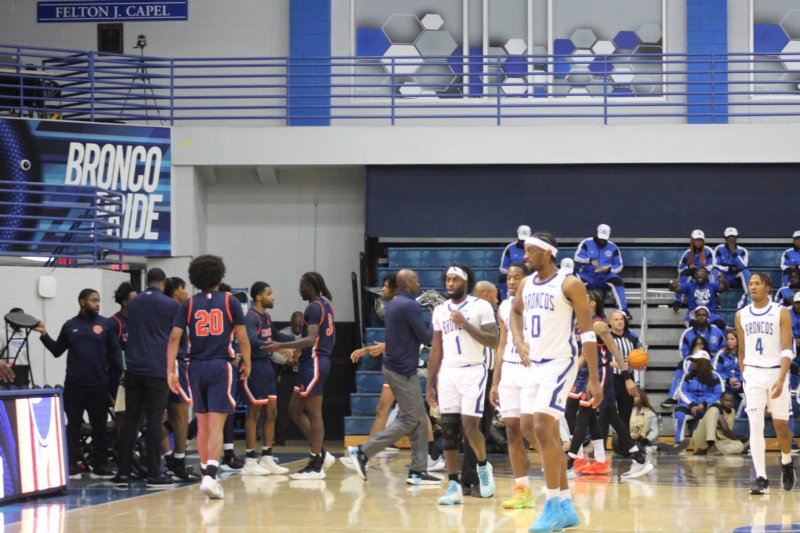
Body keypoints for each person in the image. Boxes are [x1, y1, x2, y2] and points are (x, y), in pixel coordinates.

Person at [509, 232, 600, 532]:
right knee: (527, 427)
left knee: (542, 427)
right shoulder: (525, 284)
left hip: (560, 363)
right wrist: (519, 340)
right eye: (524, 250)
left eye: (531, 250)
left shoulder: (569, 284)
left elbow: (588, 333)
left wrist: (594, 378)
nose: (525, 256)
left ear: (548, 253)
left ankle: (552, 506)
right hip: (534, 364)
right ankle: (565, 504)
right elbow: (515, 312)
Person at [167, 255, 251, 499]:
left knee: (202, 423)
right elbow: (242, 337)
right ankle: (211, 475)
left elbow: (174, 337)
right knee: (216, 423)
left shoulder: (189, 304)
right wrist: (247, 361)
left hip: (194, 366)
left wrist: (170, 369)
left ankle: (206, 473)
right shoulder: (230, 301)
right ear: (219, 275)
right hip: (220, 365)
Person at [347, 269, 441, 486]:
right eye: (416, 280)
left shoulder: (395, 304)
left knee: (419, 419)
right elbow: (426, 338)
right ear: (407, 283)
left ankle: (418, 472)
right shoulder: (409, 306)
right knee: (410, 419)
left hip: (398, 367)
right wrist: (436, 318)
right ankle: (363, 452)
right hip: (401, 370)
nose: (419, 283)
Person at [425, 263, 498, 505]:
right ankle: (454, 485)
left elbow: (493, 340)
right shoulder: (440, 311)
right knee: (448, 430)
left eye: (455, 279)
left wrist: (465, 324)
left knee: (470, 428)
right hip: (448, 372)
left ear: (466, 282)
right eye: (447, 279)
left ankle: (483, 466)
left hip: (473, 371)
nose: (450, 283)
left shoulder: (481, 306)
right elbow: (436, 349)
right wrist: (430, 383)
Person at [35, 289, 122, 479]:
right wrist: (43, 334)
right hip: (74, 386)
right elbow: (57, 350)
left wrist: (122, 372)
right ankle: (71, 466)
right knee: (74, 427)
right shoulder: (70, 325)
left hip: (99, 384)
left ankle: (100, 466)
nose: (97, 304)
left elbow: (115, 351)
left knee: (99, 427)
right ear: (82, 301)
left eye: (98, 300)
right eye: (93, 300)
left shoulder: (106, 324)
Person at [565, 291, 650, 479]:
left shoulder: (599, 325)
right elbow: (584, 355)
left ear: (594, 303)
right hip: (588, 373)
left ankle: (570, 463)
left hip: (601, 373)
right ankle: (638, 457)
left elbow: (616, 351)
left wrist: (627, 377)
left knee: (583, 415)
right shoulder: (582, 323)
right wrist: (569, 375)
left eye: (585, 298)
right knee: (611, 415)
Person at [266, 272, 336, 480]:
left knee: (314, 414)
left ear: (311, 286)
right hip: (313, 361)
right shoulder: (326, 305)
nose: (299, 289)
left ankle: (316, 464)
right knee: (294, 410)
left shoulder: (313, 307)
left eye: (301, 285)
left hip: (314, 363)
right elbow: (331, 338)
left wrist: (281, 345)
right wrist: (303, 352)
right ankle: (322, 453)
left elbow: (311, 339)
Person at [115, 268, 179, 489]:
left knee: (130, 419)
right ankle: (154, 474)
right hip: (157, 368)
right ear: (163, 282)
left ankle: (123, 473)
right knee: (154, 420)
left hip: (133, 368)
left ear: (147, 281)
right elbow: (175, 336)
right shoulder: (171, 304)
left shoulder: (134, 302)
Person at [737, 272, 795, 494]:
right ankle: (761, 477)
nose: (752, 287)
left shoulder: (781, 312)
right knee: (755, 424)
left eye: (757, 283)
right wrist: (745, 374)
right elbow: (741, 350)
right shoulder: (741, 314)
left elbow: (787, 349)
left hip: (776, 372)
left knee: (781, 426)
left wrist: (781, 378)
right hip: (753, 374)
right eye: (750, 283)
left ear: (768, 287)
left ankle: (786, 461)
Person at [489, 262, 537, 509]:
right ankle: (522, 490)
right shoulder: (504, 306)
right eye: (509, 277)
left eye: (517, 277)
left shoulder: (536, 303)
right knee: (512, 429)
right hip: (509, 369)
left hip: (532, 368)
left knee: (531, 428)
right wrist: (495, 382)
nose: (511, 281)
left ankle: (558, 473)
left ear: (526, 279)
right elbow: (501, 344)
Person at [241, 281, 294, 476]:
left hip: (267, 367)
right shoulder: (251, 317)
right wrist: (278, 346)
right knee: (253, 413)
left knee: (272, 411)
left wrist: (300, 341)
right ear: (258, 297)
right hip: (254, 367)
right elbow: (253, 341)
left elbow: (276, 334)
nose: (273, 297)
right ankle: (250, 460)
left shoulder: (266, 316)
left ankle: (267, 457)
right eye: (269, 294)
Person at [460, 280, 500, 495]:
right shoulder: (472, 315)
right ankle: (472, 478)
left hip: (487, 377)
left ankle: (468, 479)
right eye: (494, 295)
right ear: (485, 295)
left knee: (476, 430)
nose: (497, 300)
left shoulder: (488, 316)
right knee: (475, 430)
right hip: (477, 375)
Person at [162, 276, 199, 482]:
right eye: (184, 288)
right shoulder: (177, 309)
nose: (187, 292)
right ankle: (179, 463)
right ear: (176, 290)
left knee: (161, 419)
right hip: (176, 365)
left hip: (160, 366)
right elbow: (175, 338)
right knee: (181, 417)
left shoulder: (162, 309)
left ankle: (169, 458)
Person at [662, 307, 725, 408]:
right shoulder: (687, 332)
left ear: (708, 317)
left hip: (713, 361)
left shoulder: (716, 331)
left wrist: (713, 360)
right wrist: (693, 357)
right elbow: (683, 351)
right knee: (682, 365)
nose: (701, 317)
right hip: (693, 360)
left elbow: (723, 348)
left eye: (703, 315)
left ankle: (710, 398)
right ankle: (673, 397)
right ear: (695, 317)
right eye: (699, 315)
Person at [574, 224, 631, 319]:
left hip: (605, 276)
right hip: (588, 275)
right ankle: (575, 309)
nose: (602, 241)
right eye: (600, 238)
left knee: (617, 281)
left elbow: (619, 266)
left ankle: (623, 310)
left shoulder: (613, 247)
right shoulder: (586, 243)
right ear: (596, 233)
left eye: (604, 239)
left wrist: (609, 269)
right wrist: (589, 261)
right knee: (575, 279)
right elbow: (577, 257)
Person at [671, 350, 724, 453]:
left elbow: (718, 394)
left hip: (707, 407)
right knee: (678, 413)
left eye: (695, 361)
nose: (692, 363)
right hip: (690, 406)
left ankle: (711, 444)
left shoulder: (715, 376)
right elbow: (681, 390)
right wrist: (692, 404)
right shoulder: (688, 376)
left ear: (702, 363)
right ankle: (679, 444)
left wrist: (704, 404)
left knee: (715, 408)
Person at [217, 283, 245, 472]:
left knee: (227, 411)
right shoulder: (218, 317)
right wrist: (229, 356)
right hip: (218, 367)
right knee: (217, 412)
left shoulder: (231, 315)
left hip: (230, 368)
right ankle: (226, 455)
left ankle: (228, 453)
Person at [274, 311, 303, 445]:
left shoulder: (307, 334)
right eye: (295, 325)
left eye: (300, 326)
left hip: (302, 373)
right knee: (282, 407)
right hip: (286, 372)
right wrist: (285, 360)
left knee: (308, 407)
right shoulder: (283, 333)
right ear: (290, 323)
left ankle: (312, 438)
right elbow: (274, 353)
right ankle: (280, 438)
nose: (297, 328)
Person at [608, 309, 641, 427]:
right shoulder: (605, 338)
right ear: (610, 322)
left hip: (628, 379)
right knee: (606, 415)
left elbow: (639, 355)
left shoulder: (632, 337)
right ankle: (603, 439)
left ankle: (624, 439)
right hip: (611, 378)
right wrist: (614, 364)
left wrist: (640, 364)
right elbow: (600, 360)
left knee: (625, 415)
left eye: (621, 319)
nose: (619, 322)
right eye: (616, 319)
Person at [692, 391, 747, 456]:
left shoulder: (733, 411)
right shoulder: (715, 406)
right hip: (702, 437)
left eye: (731, 401)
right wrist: (737, 439)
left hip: (718, 442)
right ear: (721, 400)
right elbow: (725, 429)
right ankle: (710, 445)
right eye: (726, 401)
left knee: (740, 446)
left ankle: (705, 450)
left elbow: (726, 433)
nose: (729, 403)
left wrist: (739, 442)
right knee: (714, 410)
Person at [673, 229, 714, 312]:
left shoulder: (708, 251)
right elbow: (680, 268)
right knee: (683, 274)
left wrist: (701, 269)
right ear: (692, 241)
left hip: (704, 272)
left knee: (714, 273)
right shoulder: (687, 253)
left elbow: (712, 265)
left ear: (703, 241)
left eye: (700, 240)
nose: (698, 242)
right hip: (692, 273)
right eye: (696, 240)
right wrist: (689, 267)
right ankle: (678, 300)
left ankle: (715, 297)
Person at [713, 227, 751, 296]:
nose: (731, 239)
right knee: (714, 271)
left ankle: (749, 296)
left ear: (736, 238)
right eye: (729, 237)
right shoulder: (719, 248)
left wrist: (733, 252)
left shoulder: (742, 250)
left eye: (733, 237)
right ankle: (714, 296)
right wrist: (728, 269)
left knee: (745, 271)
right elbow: (715, 265)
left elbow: (743, 266)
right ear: (725, 238)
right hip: (723, 279)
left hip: (735, 279)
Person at [499, 225, 531, 300]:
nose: (523, 242)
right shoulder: (510, 248)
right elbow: (502, 268)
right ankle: (507, 300)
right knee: (503, 278)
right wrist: (514, 273)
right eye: (521, 240)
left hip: (529, 277)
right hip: (514, 276)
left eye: (525, 240)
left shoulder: (534, 248)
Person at [714, 331, 744, 403]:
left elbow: (748, 371)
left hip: (741, 385)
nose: (729, 341)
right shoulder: (721, 354)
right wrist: (728, 380)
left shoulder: (744, 354)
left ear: (738, 340)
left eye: (732, 339)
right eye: (727, 339)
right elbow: (716, 372)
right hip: (725, 386)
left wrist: (740, 381)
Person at [629, 388, 659, 453]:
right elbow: (622, 428)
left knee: (656, 443)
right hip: (630, 440)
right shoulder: (628, 411)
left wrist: (645, 439)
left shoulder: (650, 413)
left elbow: (654, 431)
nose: (632, 398)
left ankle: (644, 449)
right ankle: (645, 450)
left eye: (635, 397)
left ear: (642, 399)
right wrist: (632, 435)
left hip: (645, 441)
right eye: (632, 396)